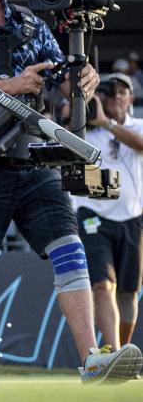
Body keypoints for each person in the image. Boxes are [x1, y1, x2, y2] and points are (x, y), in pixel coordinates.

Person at [0, 0, 139, 383]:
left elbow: (65, 93)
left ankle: (92, 359)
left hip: (33, 160)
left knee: (70, 250)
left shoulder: (31, 24)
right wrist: (13, 86)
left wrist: (82, 82)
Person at [73, 74, 143, 366]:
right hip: (94, 214)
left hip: (132, 216)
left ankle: (121, 353)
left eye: (122, 92)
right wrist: (81, 108)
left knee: (128, 292)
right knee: (102, 285)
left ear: (131, 98)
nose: (115, 97)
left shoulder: (137, 125)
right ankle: (113, 353)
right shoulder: (84, 126)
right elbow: (62, 137)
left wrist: (108, 124)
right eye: (108, 92)